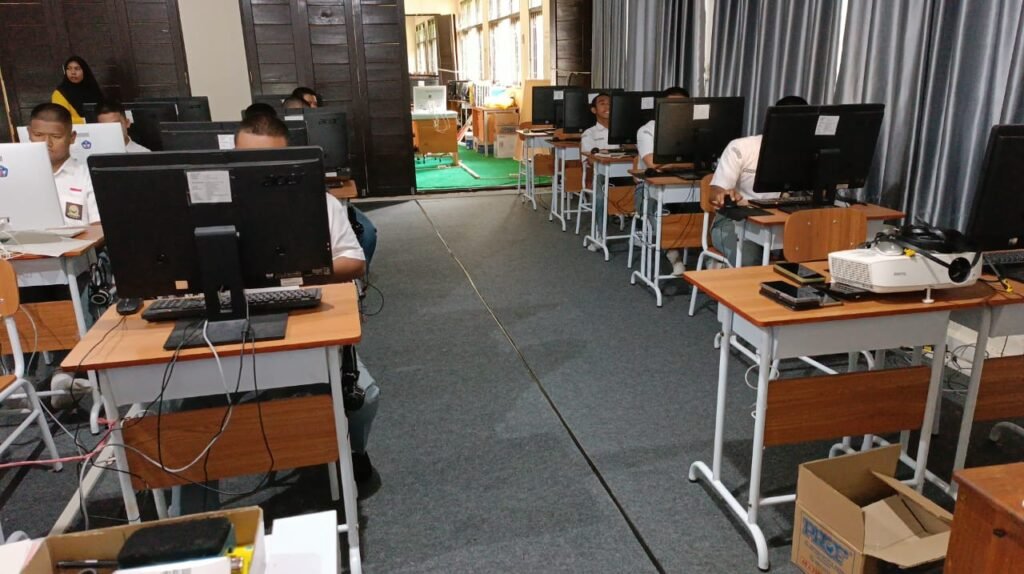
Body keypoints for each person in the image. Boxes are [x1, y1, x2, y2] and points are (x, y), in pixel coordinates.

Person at [235, 114, 379, 480]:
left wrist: (298, 273)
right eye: (247, 159)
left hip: (303, 317)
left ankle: (352, 453)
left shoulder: (318, 201)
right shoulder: (208, 203)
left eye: (270, 160)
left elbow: (354, 261)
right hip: (233, 323)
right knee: (173, 412)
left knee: (365, 396)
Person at [710, 95, 809, 267]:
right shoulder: (741, 147)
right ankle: (725, 268)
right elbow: (714, 191)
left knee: (816, 253)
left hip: (782, 221)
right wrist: (724, 194)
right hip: (735, 221)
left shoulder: (806, 152)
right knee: (750, 261)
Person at [635, 86, 690, 275]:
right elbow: (653, 163)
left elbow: (705, 160)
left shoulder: (692, 129)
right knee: (658, 210)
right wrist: (685, 163)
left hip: (685, 185)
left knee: (707, 207)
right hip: (647, 189)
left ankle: (709, 257)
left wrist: (670, 164)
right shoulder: (647, 130)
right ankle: (674, 256)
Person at [27, 103, 99, 225]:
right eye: (38, 135)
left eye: (56, 136)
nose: (47, 143)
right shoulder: (16, 176)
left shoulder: (89, 177)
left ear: (72, 137)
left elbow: (98, 227)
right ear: (29, 133)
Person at [51, 56, 104, 125]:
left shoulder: (93, 90)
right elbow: (61, 119)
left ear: (84, 71)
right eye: (69, 69)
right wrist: (87, 121)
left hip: (99, 129)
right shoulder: (60, 93)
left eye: (77, 69)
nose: (73, 72)